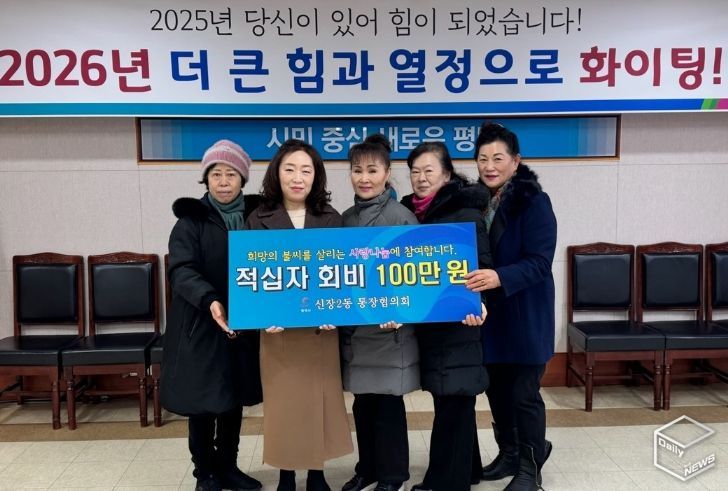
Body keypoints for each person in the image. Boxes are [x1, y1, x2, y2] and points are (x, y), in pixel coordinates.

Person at [244, 139, 353, 491]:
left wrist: (337, 309)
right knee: (284, 408)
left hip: (321, 332)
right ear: (277, 174)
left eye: (306, 170)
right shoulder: (257, 219)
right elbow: (248, 279)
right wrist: (261, 316)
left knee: (318, 405)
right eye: (289, 169)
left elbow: (342, 275)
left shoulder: (331, 219)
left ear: (315, 176)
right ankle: (286, 474)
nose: (297, 177)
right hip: (278, 334)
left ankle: (317, 473)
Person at [161, 139, 263, 491]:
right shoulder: (191, 221)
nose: (223, 181)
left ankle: (228, 467)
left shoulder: (256, 218)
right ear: (206, 179)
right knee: (203, 402)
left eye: (231, 174)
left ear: (242, 179)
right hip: (201, 324)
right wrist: (209, 299)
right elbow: (181, 269)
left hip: (243, 324)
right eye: (216, 174)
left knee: (233, 398)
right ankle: (204, 472)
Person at [465, 123, 557, 491]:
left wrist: (499, 277)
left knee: (523, 395)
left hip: (525, 317)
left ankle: (530, 469)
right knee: (497, 392)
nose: (489, 166)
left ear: (516, 161)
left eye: (498, 158)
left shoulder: (534, 202)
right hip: (491, 318)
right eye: (482, 159)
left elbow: (540, 262)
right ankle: (509, 453)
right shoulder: (476, 202)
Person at [400, 142, 491, 491]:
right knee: (453, 399)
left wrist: (479, 301)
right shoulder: (412, 214)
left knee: (455, 399)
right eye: (415, 171)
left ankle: (444, 481)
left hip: (459, 323)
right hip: (432, 325)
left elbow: (483, 264)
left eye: (429, 171)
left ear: (447, 174)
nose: (421, 178)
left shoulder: (464, 213)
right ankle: (469, 469)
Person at [339, 134, 420, 491]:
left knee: (388, 408)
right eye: (357, 170)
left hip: (390, 332)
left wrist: (402, 311)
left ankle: (392, 476)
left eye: (372, 170)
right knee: (362, 406)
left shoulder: (402, 218)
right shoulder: (344, 220)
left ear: (387, 173)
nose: (364, 178)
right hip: (357, 333)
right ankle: (368, 468)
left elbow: (418, 278)